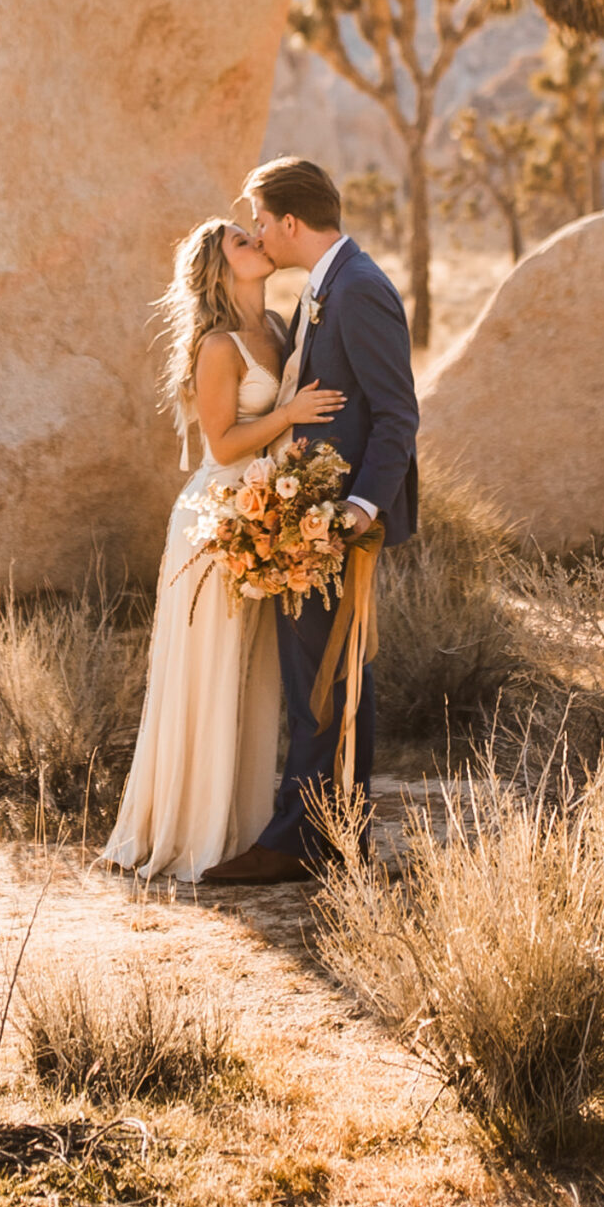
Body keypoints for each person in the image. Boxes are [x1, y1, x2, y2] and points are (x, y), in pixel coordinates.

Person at [98, 217, 345, 881]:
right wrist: (288, 418)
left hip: (266, 513)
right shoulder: (219, 347)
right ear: (218, 267)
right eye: (241, 240)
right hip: (215, 523)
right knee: (208, 674)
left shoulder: (281, 328)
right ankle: (186, 832)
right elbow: (225, 444)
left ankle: (240, 830)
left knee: (256, 676)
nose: (257, 242)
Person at [202, 157, 419, 886]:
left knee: (331, 680)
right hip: (309, 521)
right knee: (319, 680)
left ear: (289, 223)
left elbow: (397, 416)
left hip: (339, 524)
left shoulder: (358, 290)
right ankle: (328, 837)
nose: (258, 232)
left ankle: (307, 842)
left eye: (261, 220)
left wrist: (359, 511)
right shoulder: (325, 289)